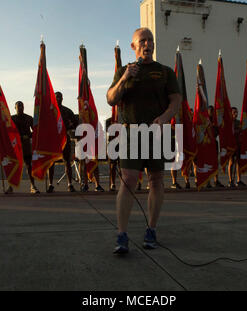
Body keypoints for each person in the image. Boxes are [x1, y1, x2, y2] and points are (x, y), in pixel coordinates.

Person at [106, 27, 181, 254]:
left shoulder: (165, 72)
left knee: (156, 180)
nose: (147, 44)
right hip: (131, 133)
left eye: (150, 40)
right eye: (143, 40)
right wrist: (125, 78)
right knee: (128, 180)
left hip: (157, 132)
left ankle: (151, 229)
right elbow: (111, 98)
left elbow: (176, 101)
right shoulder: (124, 71)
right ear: (134, 46)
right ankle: (121, 234)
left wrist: (165, 117)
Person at [47, 92, 79, 193]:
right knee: (51, 163)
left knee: (67, 162)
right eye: (57, 97)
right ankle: (50, 184)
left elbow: (75, 124)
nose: (58, 99)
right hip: (53, 140)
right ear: (54, 98)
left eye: (60, 97)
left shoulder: (68, 111)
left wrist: (68, 127)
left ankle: (70, 184)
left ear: (62, 98)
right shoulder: (50, 111)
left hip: (65, 139)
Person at [7, 101, 40, 194]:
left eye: (21, 106)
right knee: (13, 166)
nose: (20, 108)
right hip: (15, 146)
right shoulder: (11, 119)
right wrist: (18, 137)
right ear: (15, 107)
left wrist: (29, 135)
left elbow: (36, 130)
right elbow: (8, 132)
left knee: (29, 166)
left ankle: (33, 185)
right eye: (18, 106)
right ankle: (11, 186)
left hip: (26, 145)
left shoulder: (29, 118)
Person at [227, 107, 245, 187]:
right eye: (234, 112)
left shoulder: (239, 122)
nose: (236, 114)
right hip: (231, 146)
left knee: (239, 163)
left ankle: (239, 180)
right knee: (231, 162)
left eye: (236, 112)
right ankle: (230, 180)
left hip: (238, 145)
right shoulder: (228, 123)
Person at [207, 105, 224, 188]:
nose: (211, 112)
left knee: (215, 163)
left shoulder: (215, 121)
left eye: (212, 111)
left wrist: (214, 127)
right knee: (207, 163)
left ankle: (216, 180)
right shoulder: (204, 120)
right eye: (210, 110)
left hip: (214, 143)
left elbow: (218, 132)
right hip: (206, 143)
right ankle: (207, 181)